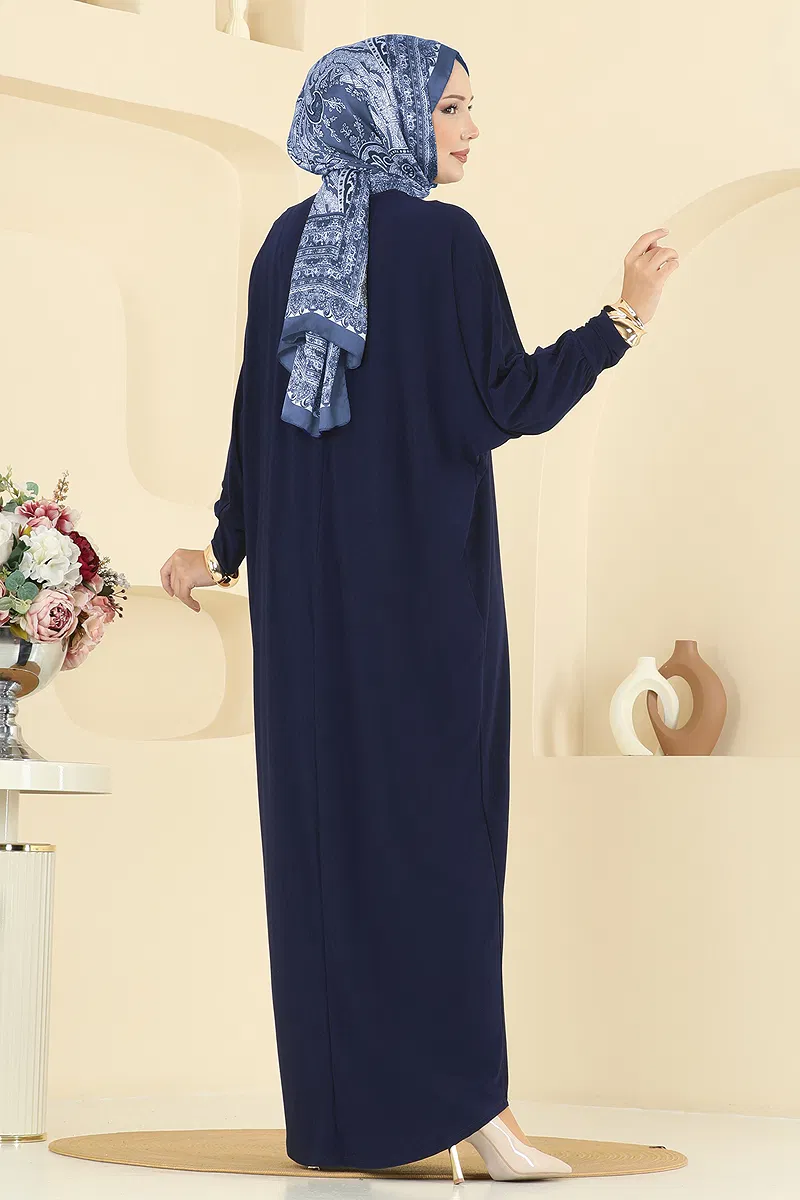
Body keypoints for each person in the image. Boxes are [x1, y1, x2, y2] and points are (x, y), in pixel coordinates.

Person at [160, 33, 678, 1181]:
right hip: (421, 606)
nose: (469, 129)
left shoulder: (285, 246)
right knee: (439, 845)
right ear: (389, 114)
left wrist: (223, 548)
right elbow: (508, 401)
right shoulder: (443, 243)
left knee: (328, 846)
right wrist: (624, 316)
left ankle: (348, 1127)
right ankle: (475, 1116)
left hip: (306, 614)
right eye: (449, 108)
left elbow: (255, 421)